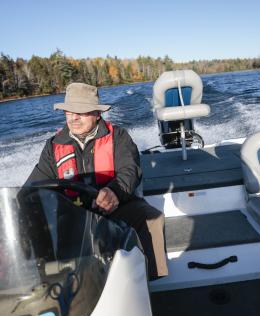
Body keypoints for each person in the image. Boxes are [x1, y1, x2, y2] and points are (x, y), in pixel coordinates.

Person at [25, 82, 168, 279]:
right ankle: (61, 288)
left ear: (96, 113)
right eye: (69, 112)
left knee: (151, 219)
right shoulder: (53, 146)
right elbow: (32, 186)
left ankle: (150, 282)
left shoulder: (118, 136)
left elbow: (129, 170)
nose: (74, 118)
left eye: (81, 112)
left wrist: (115, 192)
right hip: (74, 213)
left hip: (118, 206)